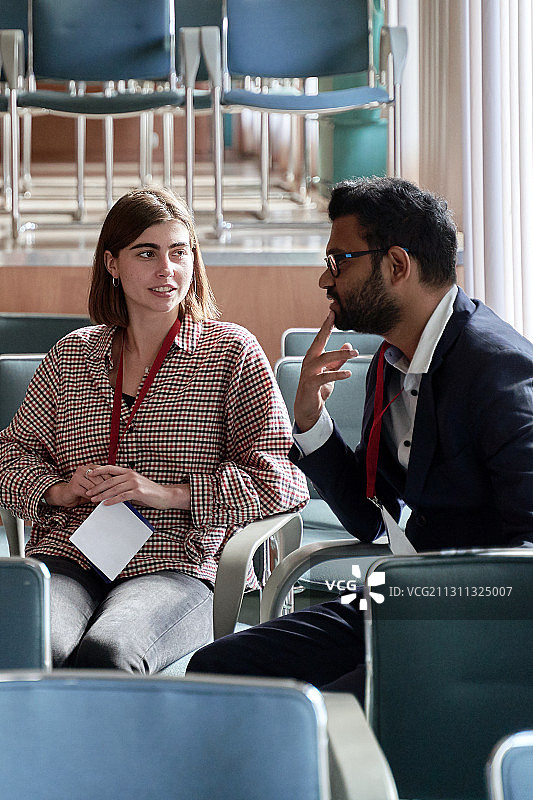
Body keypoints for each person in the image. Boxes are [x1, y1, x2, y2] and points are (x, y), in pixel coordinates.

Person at [187, 176, 533, 700]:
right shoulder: (390, 362)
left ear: (396, 265)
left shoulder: (498, 371)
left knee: (325, 712)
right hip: (400, 601)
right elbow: (371, 517)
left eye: (338, 261)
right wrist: (309, 419)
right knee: (218, 671)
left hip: (474, 624)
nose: (326, 282)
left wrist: (446, 604)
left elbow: (526, 555)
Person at [0, 187, 308, 672]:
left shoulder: (232, 352)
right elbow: (11, 456)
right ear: (113, 264)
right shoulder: (72, 356)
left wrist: (169, 493)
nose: (167, 269)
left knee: (108, 654)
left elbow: (282, 481)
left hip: (178, 561)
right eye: (147, 253)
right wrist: (58, 490)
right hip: (72, 550)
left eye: (179, 252)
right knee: (33, 648)